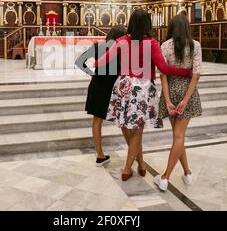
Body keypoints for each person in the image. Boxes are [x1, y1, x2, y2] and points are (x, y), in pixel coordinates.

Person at [94, 10, 192, 181]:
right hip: (142, 88)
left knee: (126, 126)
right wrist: (184, 72)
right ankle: (126, 169)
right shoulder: (152, 43)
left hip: (123, 85)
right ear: (148, 24)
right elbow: (164, 68)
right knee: (137, 130)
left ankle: (140, 163)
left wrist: (95, 63)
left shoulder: (122, 41)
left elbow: (102, 61)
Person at [154, 14, 203, 191]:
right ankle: (187, 173)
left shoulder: (165, 45)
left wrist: (167, 100)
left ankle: (165, 176)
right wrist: (186, 100)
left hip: (172, 88)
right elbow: (196, 74)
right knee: (179, 136)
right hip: (187, 90)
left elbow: (163, 75)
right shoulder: (195, 45)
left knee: (177, 135)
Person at [75, 25, 127, 167]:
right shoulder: (123, 49)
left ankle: (100, 155)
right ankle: (133, 154)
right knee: (123, 120)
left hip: (97, 86)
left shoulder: (98, 46)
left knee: (97, 121)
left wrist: (92, 74)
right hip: (114, 87)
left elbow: (79, 62)